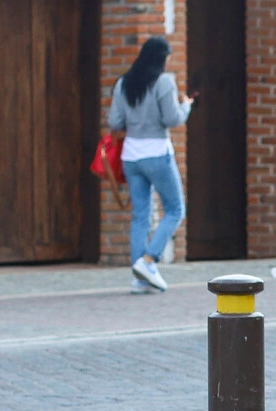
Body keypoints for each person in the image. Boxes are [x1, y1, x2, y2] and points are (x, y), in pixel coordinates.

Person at [106, 36, 193, 294]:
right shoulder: (163, 82)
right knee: (175, 209)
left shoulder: (124, 83)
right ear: (161, 58)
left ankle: (140, 279)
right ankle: (147, 260)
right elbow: (172, 119)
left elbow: (115, 121)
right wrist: (186, 106)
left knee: (140, 216)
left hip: (131, 156)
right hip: (157, 153)